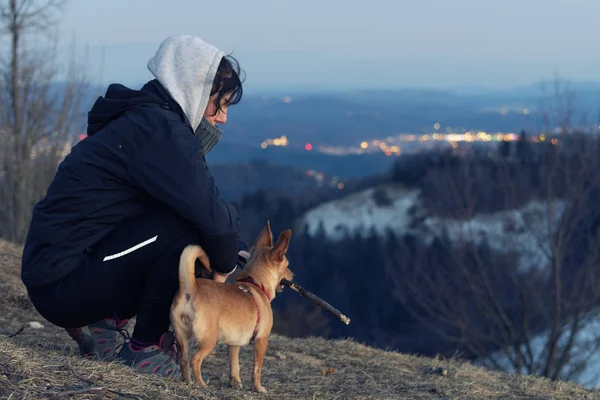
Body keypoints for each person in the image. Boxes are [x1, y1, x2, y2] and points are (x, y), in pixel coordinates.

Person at [20, 35, 247, 378]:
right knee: (186, 231)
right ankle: (145, 348)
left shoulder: (148, 122)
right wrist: (223, 263)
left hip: (60, 271)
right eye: (220, 103)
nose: (223, 118)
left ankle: (105, 322)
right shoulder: (159, 132)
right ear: (194, 89)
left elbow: (202, 209)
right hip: (61, 282)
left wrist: (229, 248)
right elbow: (213, 219)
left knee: (189, 223)